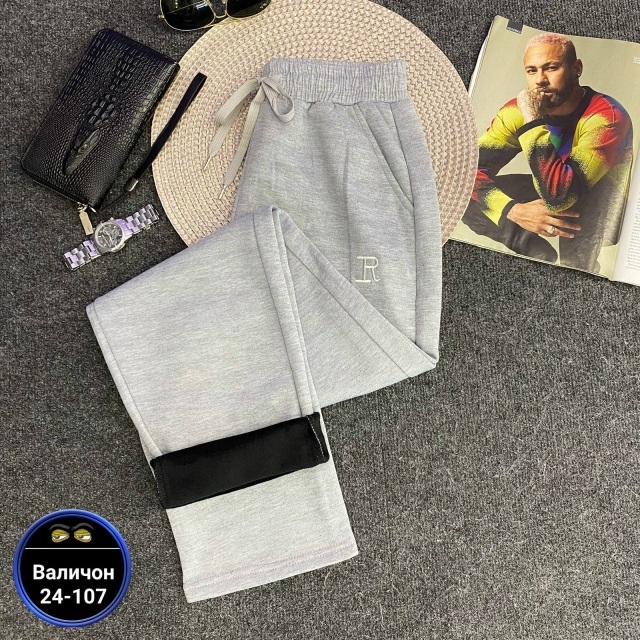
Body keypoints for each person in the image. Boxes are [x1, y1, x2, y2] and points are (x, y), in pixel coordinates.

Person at [462, 32, 633, 273]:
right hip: (550, 183)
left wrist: (533, 121)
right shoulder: (516, 112)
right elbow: (465, 171)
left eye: (551, 68)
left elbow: (561, 196)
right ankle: (539, 257)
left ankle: (575, 267)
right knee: (463, 196)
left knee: (574, 264)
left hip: (600, 202)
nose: (540, 80)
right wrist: (514, 210)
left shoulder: (607, 117)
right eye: (532, 71)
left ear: (576, 69)